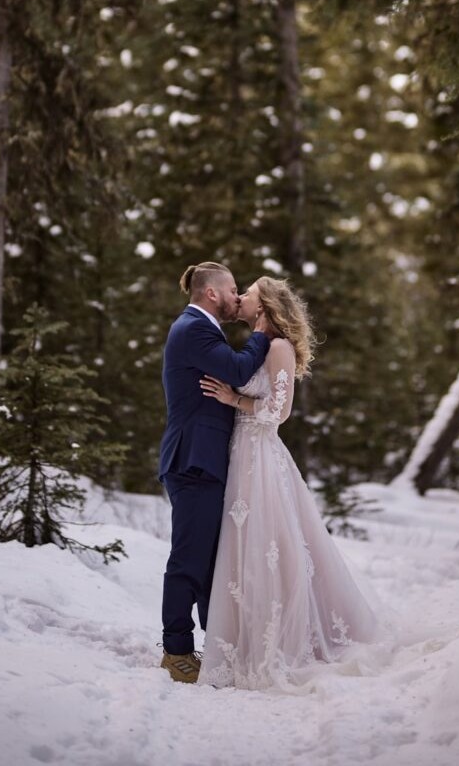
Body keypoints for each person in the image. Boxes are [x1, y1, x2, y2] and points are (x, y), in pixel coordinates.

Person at [196, 277, 380, 690]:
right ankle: (246, 641)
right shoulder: (255, 347)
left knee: (270, 547)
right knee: (245, 547)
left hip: (261, 456)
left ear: (263, 306)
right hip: (240, 452)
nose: (240, 297)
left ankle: (282, 642)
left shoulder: (278, 347)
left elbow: (279, 413)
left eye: (247, 293)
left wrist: (233, 399)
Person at [159, 262, 273, 684]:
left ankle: (217, 645)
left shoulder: (201, 330)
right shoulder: (193, 329)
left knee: (208, 561)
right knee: (189, 560)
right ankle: (176, 652)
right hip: (193, 460)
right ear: (212, 293)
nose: (236, 297)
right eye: (232, 290)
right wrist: (262, 331)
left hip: (205, 460)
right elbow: (239, 370)